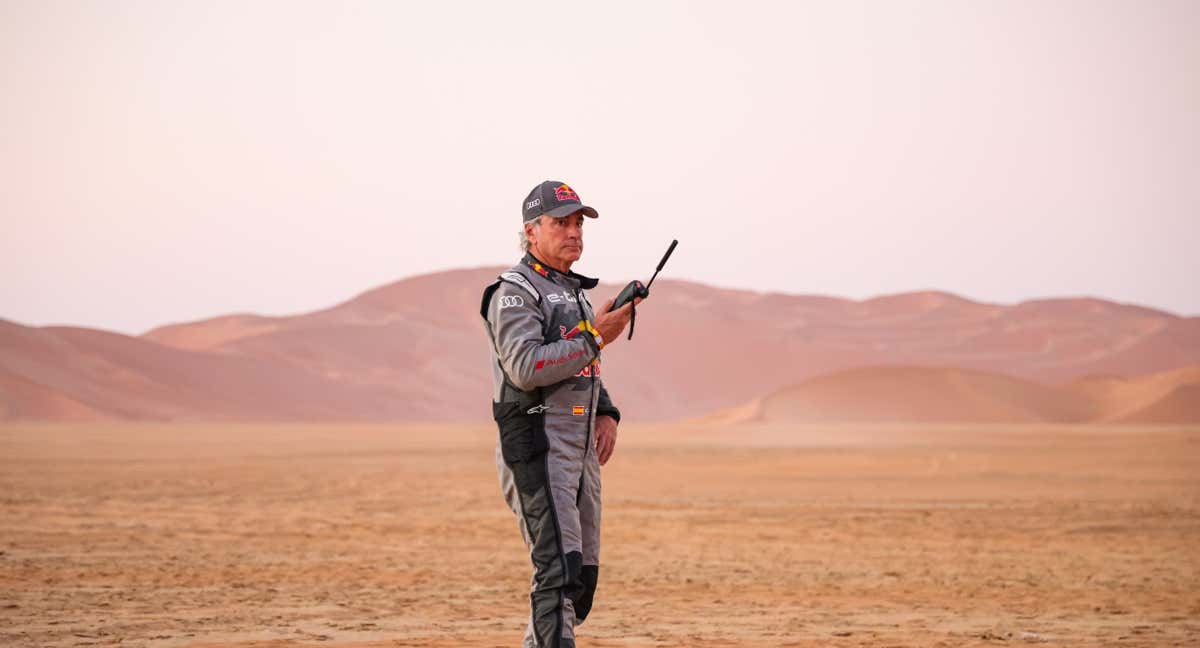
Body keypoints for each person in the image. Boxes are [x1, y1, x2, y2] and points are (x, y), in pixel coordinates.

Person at [479, 180, 639, 648]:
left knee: (580, 579)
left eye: (577, 223)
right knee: (558, 570)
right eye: (560, 223)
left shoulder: (571, 293)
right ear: (532, 231)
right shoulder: (515, 292)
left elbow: (581, 366)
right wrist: (597, 335)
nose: (573, 233)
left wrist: (606, 409)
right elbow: (527, 367)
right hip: (538, 442)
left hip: (578, 446)